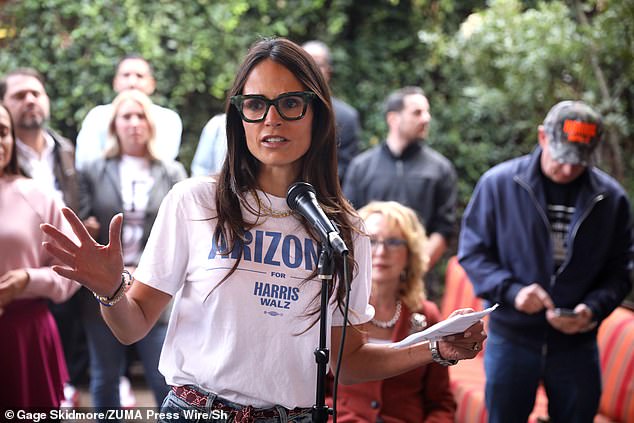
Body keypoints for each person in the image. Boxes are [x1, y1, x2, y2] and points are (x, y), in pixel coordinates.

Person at [41, 37, 485, 422]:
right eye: (256, 104)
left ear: (317, 113)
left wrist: (434, 348)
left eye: (290, 103)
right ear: (239, 118)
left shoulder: (345, 230)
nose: (272, 119)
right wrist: (110, 289)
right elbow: (132, 326)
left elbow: (347, 362)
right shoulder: (194, 201)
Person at [458, 100, 633, 423]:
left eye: (579, 162)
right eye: (562, 157)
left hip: (576, 345)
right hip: (512, 337)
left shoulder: (611, 199)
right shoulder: (499, 184)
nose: (568, 169)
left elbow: (621, 271)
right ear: (542, 137)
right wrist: (512, 292)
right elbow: (473, 252)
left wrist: (593, 308)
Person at [77, 89, 186, 416]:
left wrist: (142, 269)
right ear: (114, 126)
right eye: (126, 116)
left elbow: (181, 232)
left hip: (155, 285)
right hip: (103, 286)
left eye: (141, 116)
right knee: (105, 375)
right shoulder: (93, 170)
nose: (134, 123)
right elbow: (84, 226)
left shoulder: (171, 171)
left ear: (151, 124)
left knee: (162, 376)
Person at [0, 67, 85, 407]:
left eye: (3, 132)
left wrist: (27, 279)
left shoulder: (36, 196)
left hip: (24, 336)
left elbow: (73, 269)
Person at [332, 201, 456, 422]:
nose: (381, 251)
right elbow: (314, 393)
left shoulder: (428, 316)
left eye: (393, 242)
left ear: (410, 254)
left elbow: (441, 403)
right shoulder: (336, 310)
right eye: (371, 241)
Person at [75, 54, 182, 170]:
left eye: (140, 76)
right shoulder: (97, 116)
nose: (132, 82)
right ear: (115, 82)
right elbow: (85, 164)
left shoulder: (168, 119)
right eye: (126, 75)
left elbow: (164, 163)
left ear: (152, 84)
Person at [302, 40, 361, 181]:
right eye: (305, 64)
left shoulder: (346, 117)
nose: (311, 70)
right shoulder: (279, 109)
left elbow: (345, 168)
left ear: (328, 71)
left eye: (317, 64)